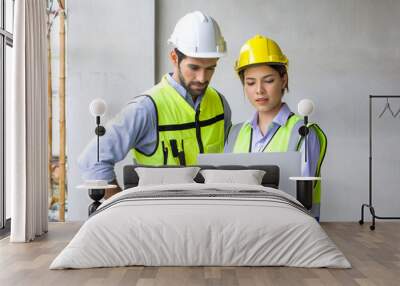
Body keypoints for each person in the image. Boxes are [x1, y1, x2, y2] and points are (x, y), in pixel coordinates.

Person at [79, 11, 232, 198]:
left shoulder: (220, 104)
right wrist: (121, 207)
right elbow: (92, 160)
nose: (202, 78)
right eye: (194, 67)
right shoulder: (146, 109)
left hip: (211, 215)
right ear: (175, 58)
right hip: (161, 221)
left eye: (210, 68)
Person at [225, 35, 326, 219]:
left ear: (284, 80)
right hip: (240, 226)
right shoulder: (234, 134)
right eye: (250, 82)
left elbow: (301, 197)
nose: (259, 90)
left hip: (290, 231)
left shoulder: (303, 132)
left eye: (268, 80)